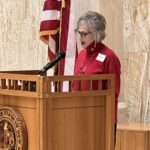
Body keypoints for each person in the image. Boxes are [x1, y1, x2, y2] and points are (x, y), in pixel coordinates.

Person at [72, 11, 121, 143]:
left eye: (84, 34)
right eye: (79, 33)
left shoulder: (109, 57)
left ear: (97, 34)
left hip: (100, 119)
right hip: (78, 117)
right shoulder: (81, 54)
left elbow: (114, 93)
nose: (80, 37)